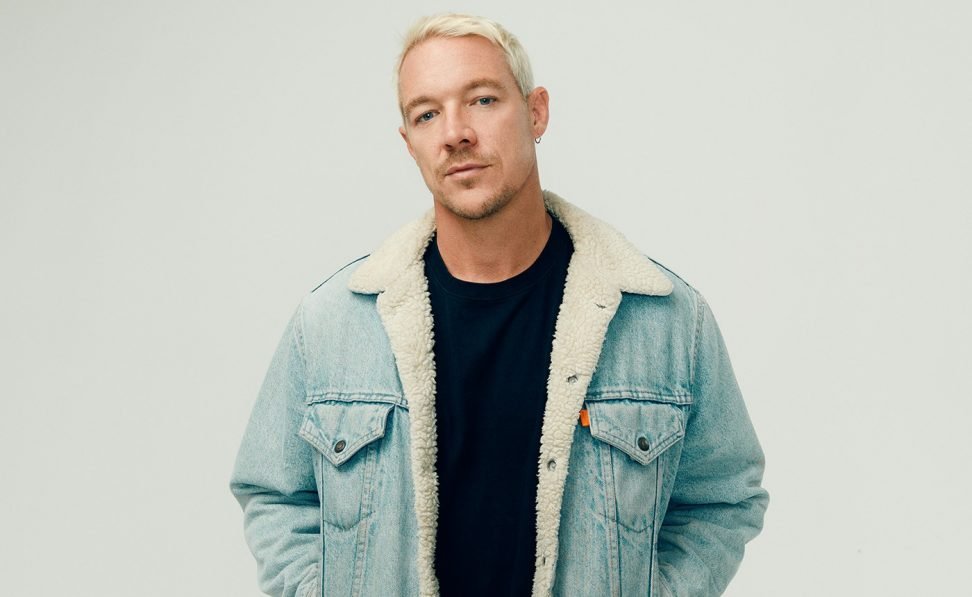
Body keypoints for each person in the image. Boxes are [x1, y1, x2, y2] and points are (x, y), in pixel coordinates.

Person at [231, 13, 768, 597]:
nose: (455, 133)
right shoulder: (334, 323)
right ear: (408, 141)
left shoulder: (662, 320)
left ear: (536, 112)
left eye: (482, 100)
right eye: (427, 113)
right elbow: (274, 493)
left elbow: (722, 497)